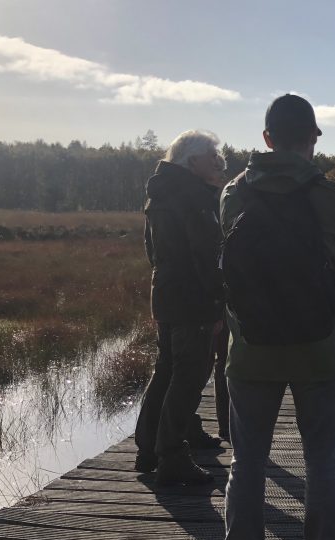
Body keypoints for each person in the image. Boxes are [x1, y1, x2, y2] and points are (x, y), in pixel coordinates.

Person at [211, 94, 335, 540]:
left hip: (251, 351)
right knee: (322, 462)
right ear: (313, 139)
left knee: (247, 463)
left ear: (266, 138)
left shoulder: (233, 193)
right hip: (319, 349)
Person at [134, 129, 227, 485]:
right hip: (193, 299)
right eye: (212, 156)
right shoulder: (193, 196)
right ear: (192, 160)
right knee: (188, 375)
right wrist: (217, 302)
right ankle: (171, 456)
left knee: (167, 369)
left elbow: (151, 250)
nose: (218, 162)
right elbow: (206, 256)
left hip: (166, 293)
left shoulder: (160, 192)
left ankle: (148, 448)